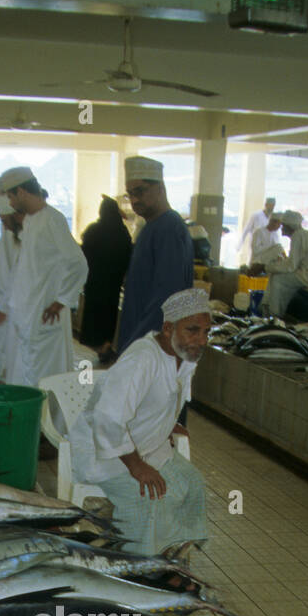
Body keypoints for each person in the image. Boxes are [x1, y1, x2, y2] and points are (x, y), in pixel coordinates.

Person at [68, 287, 210, 557]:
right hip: (104, 450)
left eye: (206, 332)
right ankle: (138, 562)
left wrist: (167, 424)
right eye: (193, 330)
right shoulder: (143, 358)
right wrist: (136, 466)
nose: (201, 340)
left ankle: (174, 550)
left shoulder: (185, 355)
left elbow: (167, 397)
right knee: (149, 499)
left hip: (147, 442)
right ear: (168, 329)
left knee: (193, 483)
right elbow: (108, 418)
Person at [2, 166, 88, 387]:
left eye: (11, 197)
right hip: (29, 317)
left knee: (46, 381)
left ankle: (46, 422)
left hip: (45, 317)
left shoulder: (52, 219)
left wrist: (61, 301)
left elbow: (78, 263)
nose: (10, 203)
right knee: (29, 376)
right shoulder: (31, 221)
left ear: (21, 192)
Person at [117, 156, 193, 355]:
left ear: (161, 188)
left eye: (140, 191)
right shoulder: (151, 227)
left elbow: (166, 300)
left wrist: (138, 349)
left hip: (152, 349)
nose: (134, 200)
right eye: (130, 194)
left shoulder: (169, 229)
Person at [247, 210, 308, 318]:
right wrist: (270, 267)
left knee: (278, 279)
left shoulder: (298, 236)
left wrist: (265, 267)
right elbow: (292, 262)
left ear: (289, 226)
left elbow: (291, 266)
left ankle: (275, 315)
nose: (281, 228)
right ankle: (266, 311)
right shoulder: (302, 235)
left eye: (283, 225)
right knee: (275, 275)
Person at [80, 195, 132, 364]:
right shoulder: (122, 232)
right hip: (112, 285)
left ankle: (93, 348)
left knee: (93, 316)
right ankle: (106, 346)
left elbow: (83, 256)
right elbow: (128, 257)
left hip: (94, 283)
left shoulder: (93, 230)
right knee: (108, 318)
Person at [0, 188, 23, 383]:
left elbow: (18, 275)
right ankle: (4, 376)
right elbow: (1, 268)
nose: (3, 224)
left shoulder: (23, 237)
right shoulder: (7, 234)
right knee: (4, 344)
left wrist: (4, 306)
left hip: (15, 307)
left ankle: (10, 380)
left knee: (15, 350)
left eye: (4, 220)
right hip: (5, 303)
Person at [239, 197, 280, 263]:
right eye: (270, 205)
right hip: (257, 261)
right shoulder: (256, 217)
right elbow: (246, 230)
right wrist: (239, 245)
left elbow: (277, 247)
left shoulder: (274, 234)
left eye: (273, 205)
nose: (272, 207)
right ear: (266, 204)